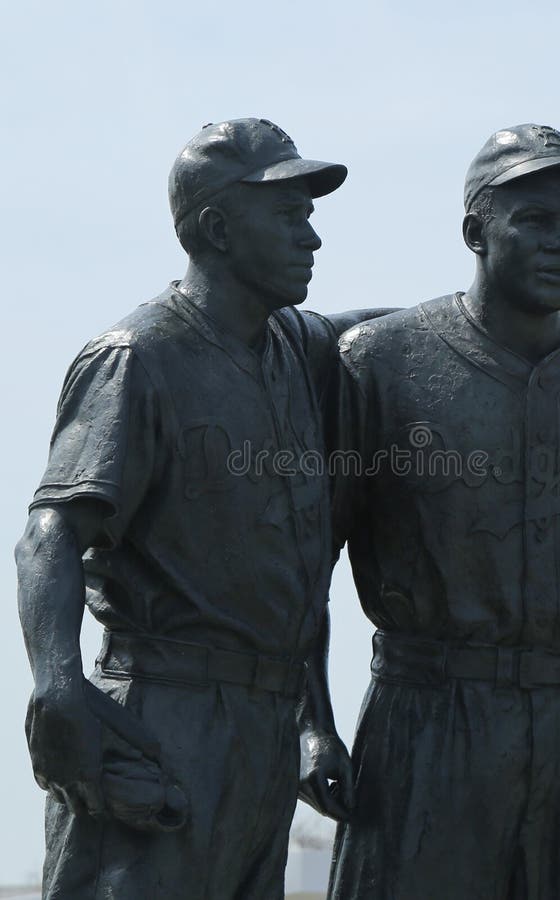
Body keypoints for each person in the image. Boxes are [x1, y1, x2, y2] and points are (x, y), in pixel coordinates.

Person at [322, 124, 560, 899]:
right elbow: (304, 559)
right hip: (427, 722)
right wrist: (308, 722)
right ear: (474, 231)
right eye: (534, 220)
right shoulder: (380, 363)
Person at [15, 117, 376, 900]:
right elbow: (50, 532)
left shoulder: (289, 345)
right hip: (162, 715)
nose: (310, 236)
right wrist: (58, 685)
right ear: (216, 227)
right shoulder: (137, 358)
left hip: (262, 729)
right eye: (288, 214)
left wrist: (520, 316)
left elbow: (374, 331)